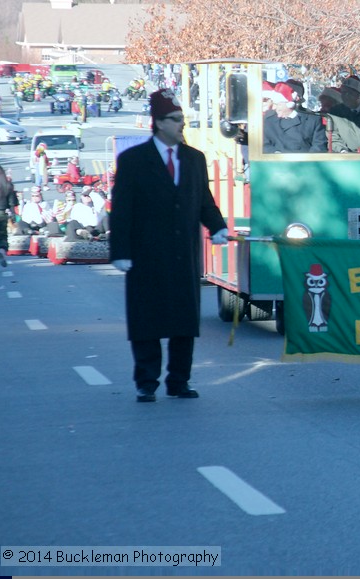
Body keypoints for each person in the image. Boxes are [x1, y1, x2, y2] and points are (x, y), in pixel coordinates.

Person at [109, 89, 229, 402]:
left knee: (184, 321)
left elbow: (204, 200)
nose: (181, 125)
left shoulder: (194, 159)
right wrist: (120, 252)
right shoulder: (133, 160)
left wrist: (217, 227)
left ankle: (179, 380)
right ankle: (146, 382)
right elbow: (122, 210)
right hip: (146, 256)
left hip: (183, 256)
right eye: (175, 120)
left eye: (182, 120)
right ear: (159, 123)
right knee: (147, 322)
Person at [262, 82, 327, 153]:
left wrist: (308, 160)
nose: (274, 107)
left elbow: (319, 145)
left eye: (278, 104)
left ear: (290, 104)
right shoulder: (269, 122)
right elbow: (264, 145)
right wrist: (276, 154)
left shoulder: (313, 120)